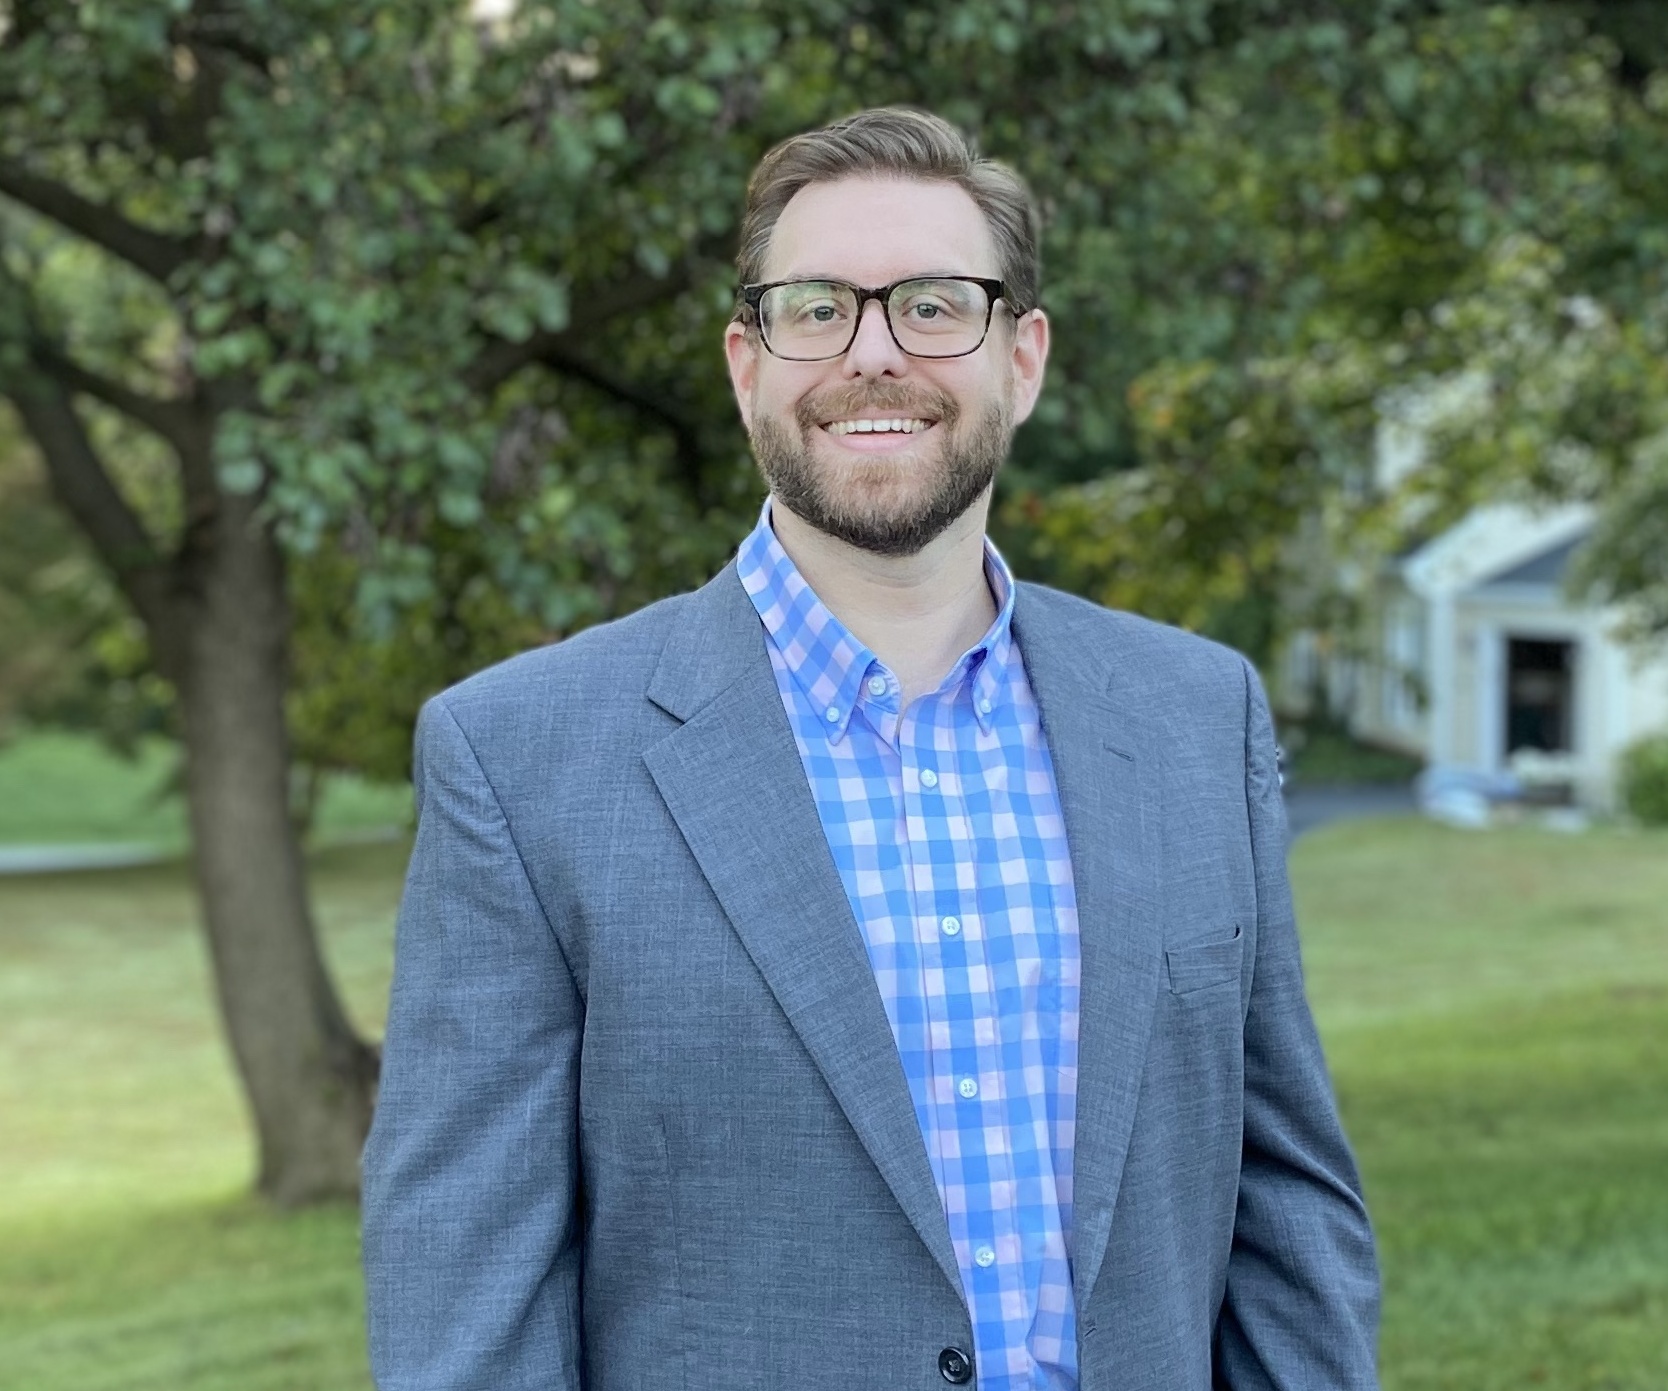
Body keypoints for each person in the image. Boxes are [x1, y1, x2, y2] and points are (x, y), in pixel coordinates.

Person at [362, 106, 1380, 1391]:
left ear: (1024, 356)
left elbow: (1288, 1209)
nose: (874, 354)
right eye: (816, 307)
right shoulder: (518, 759)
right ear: (747, 361)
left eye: (936, 306)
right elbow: (469, 1300)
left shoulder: (1196, 715)